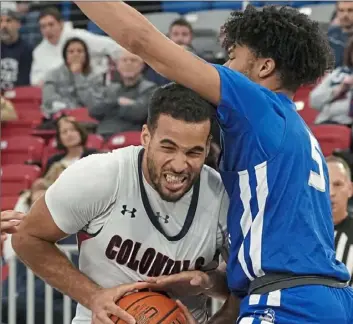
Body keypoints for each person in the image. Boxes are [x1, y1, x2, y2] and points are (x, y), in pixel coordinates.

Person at [75, 3, 353, 323]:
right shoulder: (297, 130)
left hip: (288, 301)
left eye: (233, 57)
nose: (226, 65)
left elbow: (142, 41)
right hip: (325, 298)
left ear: (264, 67)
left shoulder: (256, 104)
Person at [9, 84, 230, 324]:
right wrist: (93, 296)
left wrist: (208, 283)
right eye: (168, 147)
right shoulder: (102, 175)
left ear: (208, 147)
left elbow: (245, 285)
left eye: (194, 153)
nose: (179, 165)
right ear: (146, 136)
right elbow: (26, 238)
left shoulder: (222, 197)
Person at [326, 156, 353, 286]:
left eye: (337, 184)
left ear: (350, 189)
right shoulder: (298, 233)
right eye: (325, 184)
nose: (331, 192)